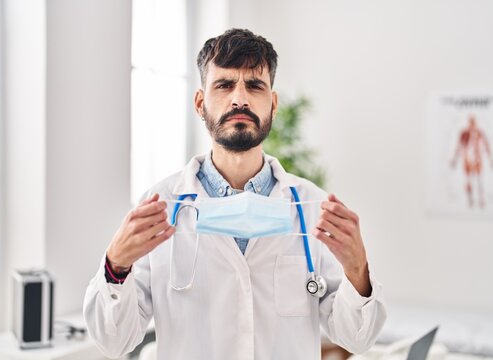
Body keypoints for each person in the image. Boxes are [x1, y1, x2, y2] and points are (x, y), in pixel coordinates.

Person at [83, 28, 386, 360]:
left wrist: (358, 270)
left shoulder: (311, 207)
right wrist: (116, 265)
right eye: (224, 84)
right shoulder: (160, 205)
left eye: (254, 85)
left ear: (272, 103)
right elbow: (114, 342)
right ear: (201, 102)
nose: (239, 98)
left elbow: (356, 340)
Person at [450, 114, 493, 208]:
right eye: (471, 123)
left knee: (479, 180)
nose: (472, 125)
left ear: (476, 123)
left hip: (477, 159)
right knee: (469, 180)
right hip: (467, 159)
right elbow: (458, 146)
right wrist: (455, 159)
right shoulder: (463, 133)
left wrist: (491, 159)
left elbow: (486, 145)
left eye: (474, 123)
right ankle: (470, 200)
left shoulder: (480, 133)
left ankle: (481, 200)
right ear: (468, 123)